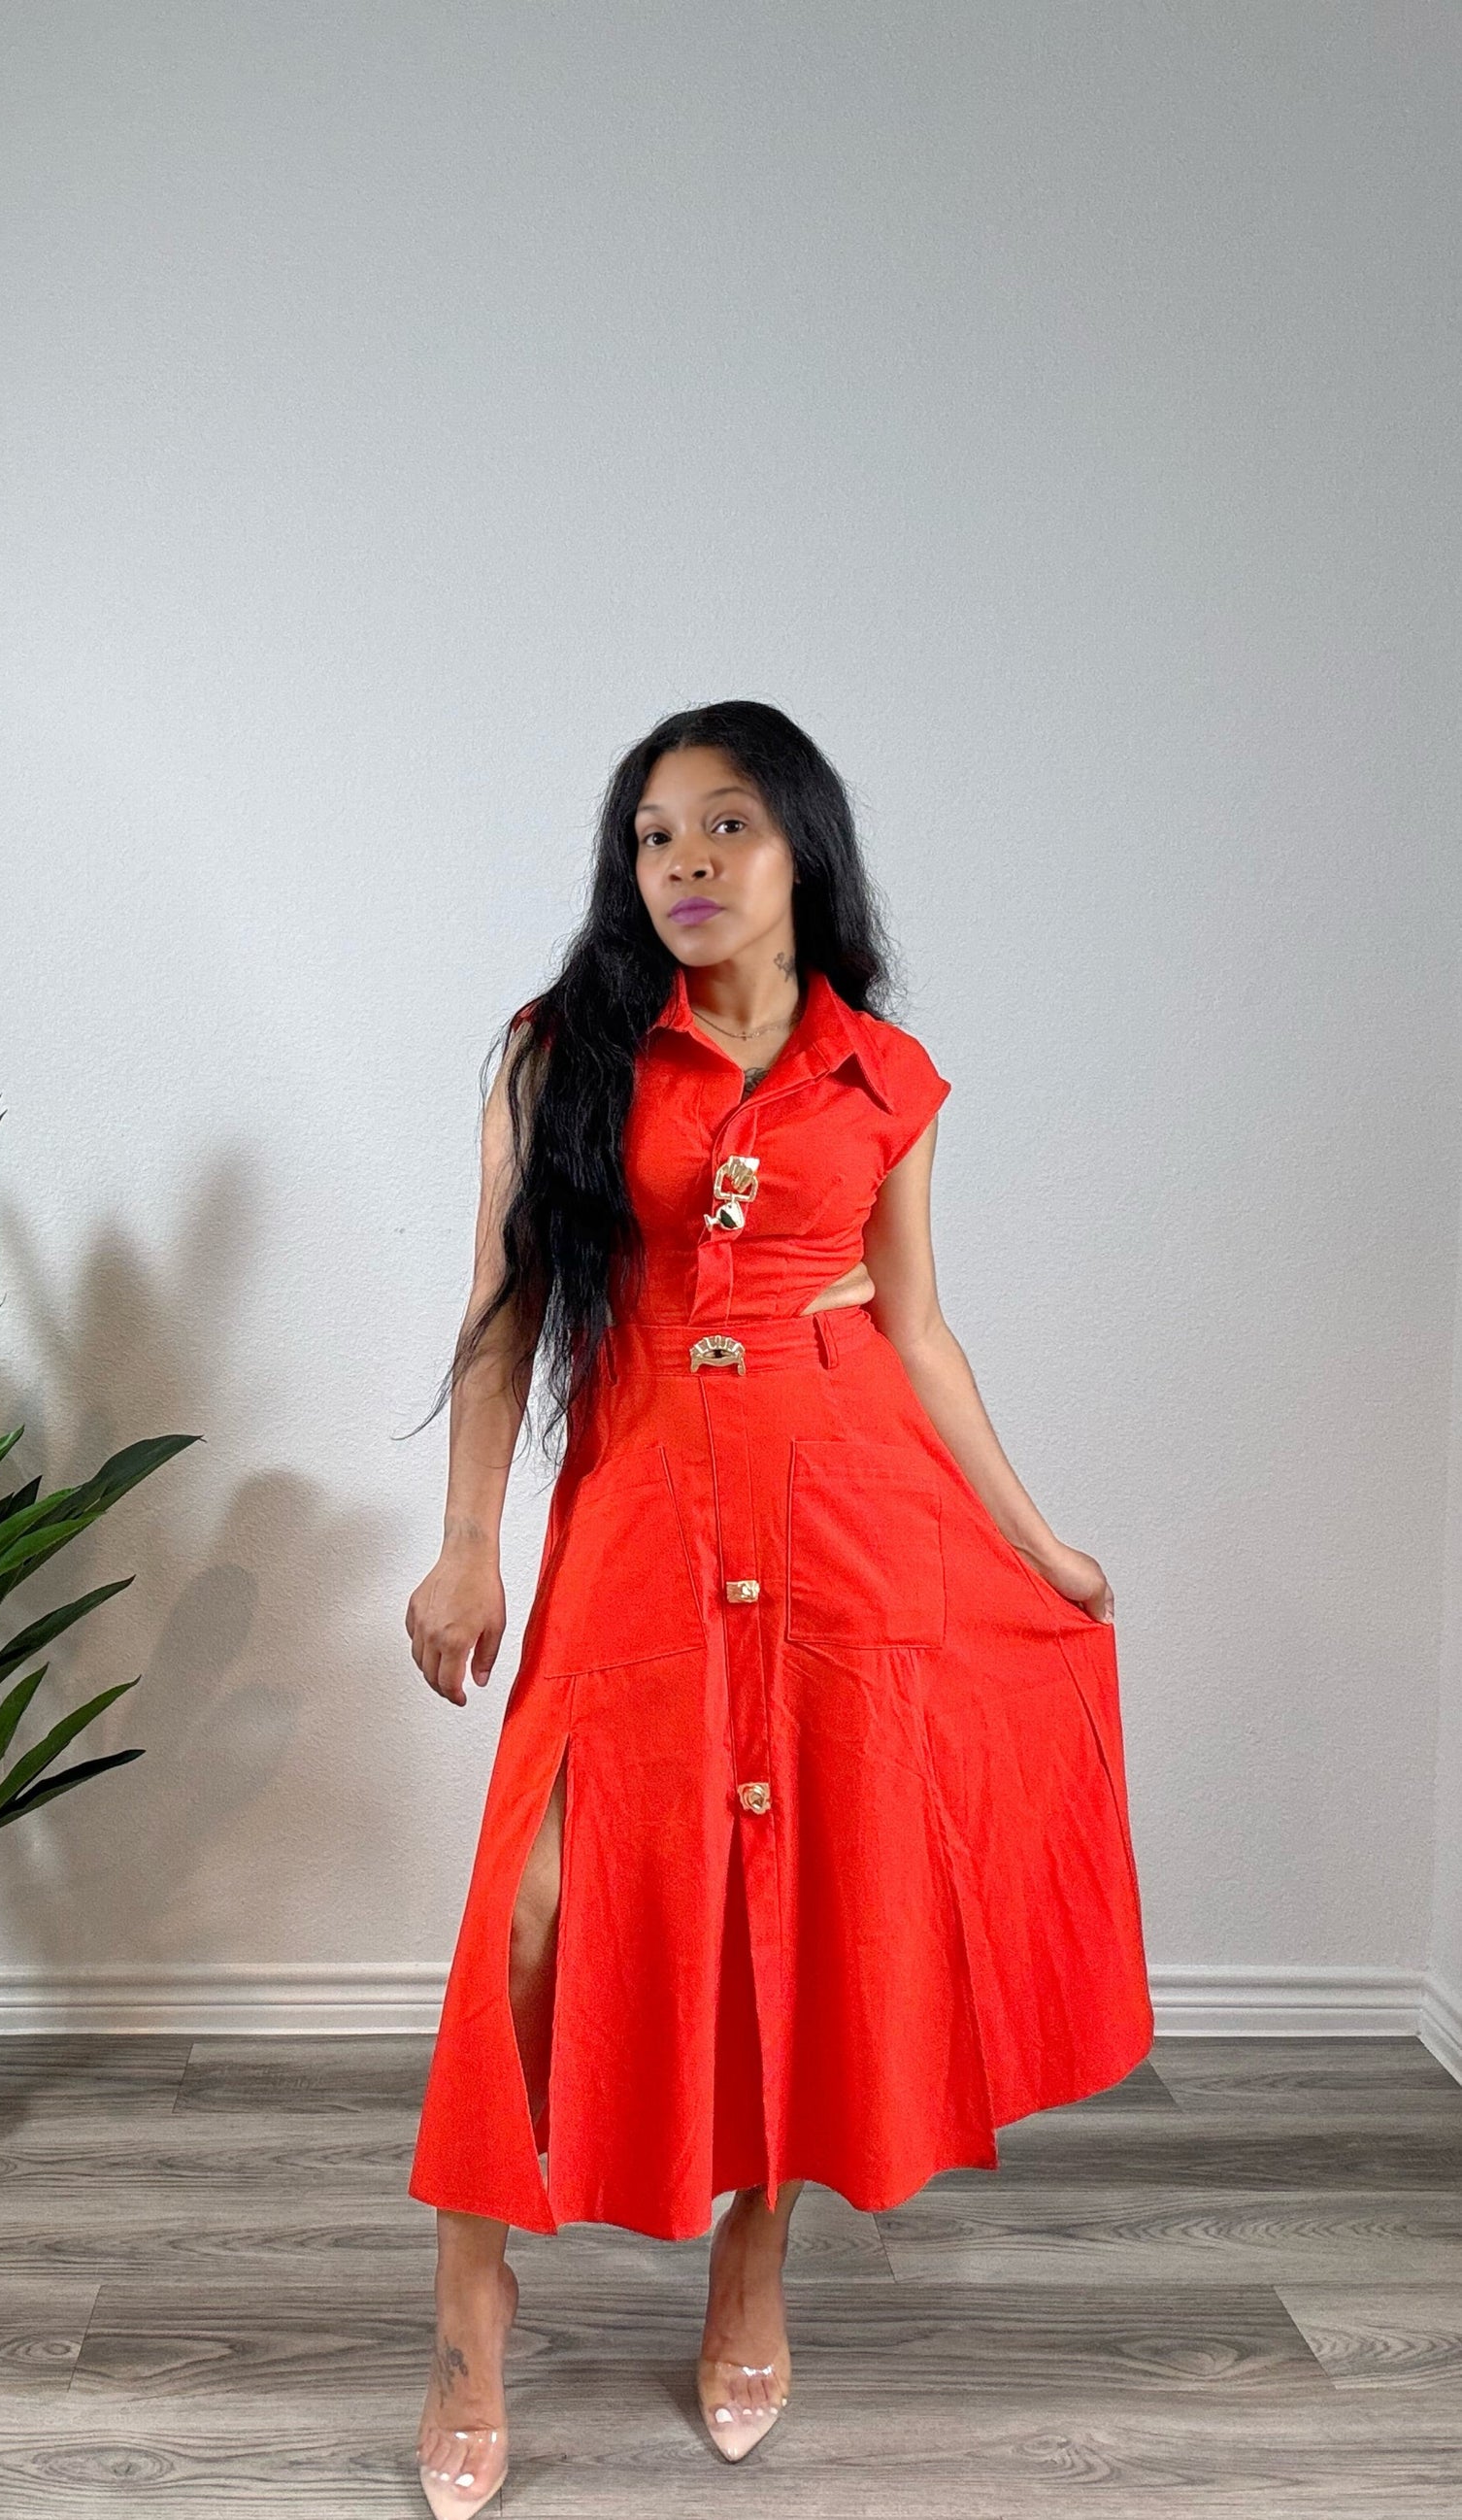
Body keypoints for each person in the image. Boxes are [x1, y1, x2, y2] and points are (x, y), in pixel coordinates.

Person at [403, 699, 1153, 2517]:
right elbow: (505, 1313)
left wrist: (1036, 1541)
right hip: (640, 1518)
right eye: (653, 834)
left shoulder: (883, 1077)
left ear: (801, 844)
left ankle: (753, 2263)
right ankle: (465, 2310)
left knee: (801, 1909)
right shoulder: (561, 1054)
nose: (684, 862)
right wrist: (467, 1543)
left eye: (724, 824)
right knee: (532, 1911)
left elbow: (914, 1328)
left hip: (848, 1525)